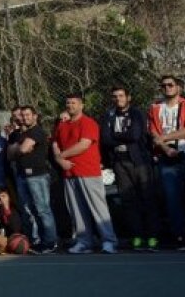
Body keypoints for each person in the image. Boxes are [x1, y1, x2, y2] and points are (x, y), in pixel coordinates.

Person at [53, 93, 118, 254]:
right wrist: (59, 160)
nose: (70, 106)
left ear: (81, 105)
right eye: (68, 103)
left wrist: (61, 156)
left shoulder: (89, 123)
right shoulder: (62, 124)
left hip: (88, 171)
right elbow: (55, 143)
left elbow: (84, 144)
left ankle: (109, 241)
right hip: (69, 173)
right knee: (76, 210)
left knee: (98, 208)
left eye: (74, 103)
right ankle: (84, 242)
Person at [148, 75, 185, 251]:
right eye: (163, 85)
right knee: (173, 199)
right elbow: (153, 133)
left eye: (171, 85)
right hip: (167, 157)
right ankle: (180, 236)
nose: (167, 88)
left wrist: (164, 138)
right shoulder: (155, 109)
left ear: (178, 87)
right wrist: (166, 149)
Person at [99, 87, 159, 252]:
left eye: (121, 96)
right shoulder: (108, 115)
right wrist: (118, 138)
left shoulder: (137, 113)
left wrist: (115, 136)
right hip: (119, 163)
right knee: (128, 201)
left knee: (147, 198)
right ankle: (137, 236)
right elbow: (105, 139)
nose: (118, 99)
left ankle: (153, 236)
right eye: (114, 96)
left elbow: (135, 135)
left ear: (128, 97)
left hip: (139, 162)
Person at [14, 106, 58, 254]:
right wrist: (19, 147)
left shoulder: (37, 131)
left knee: (42, 209)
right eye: (23, 115)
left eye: (28, 115)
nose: (25, 117)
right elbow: (12, 151)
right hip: (22, 176)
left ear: (35, 116)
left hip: (37, 176)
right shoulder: (22, 133)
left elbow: (22, 149)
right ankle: (38, 240)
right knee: (29, 210)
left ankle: (50, 242)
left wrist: (19, 148)